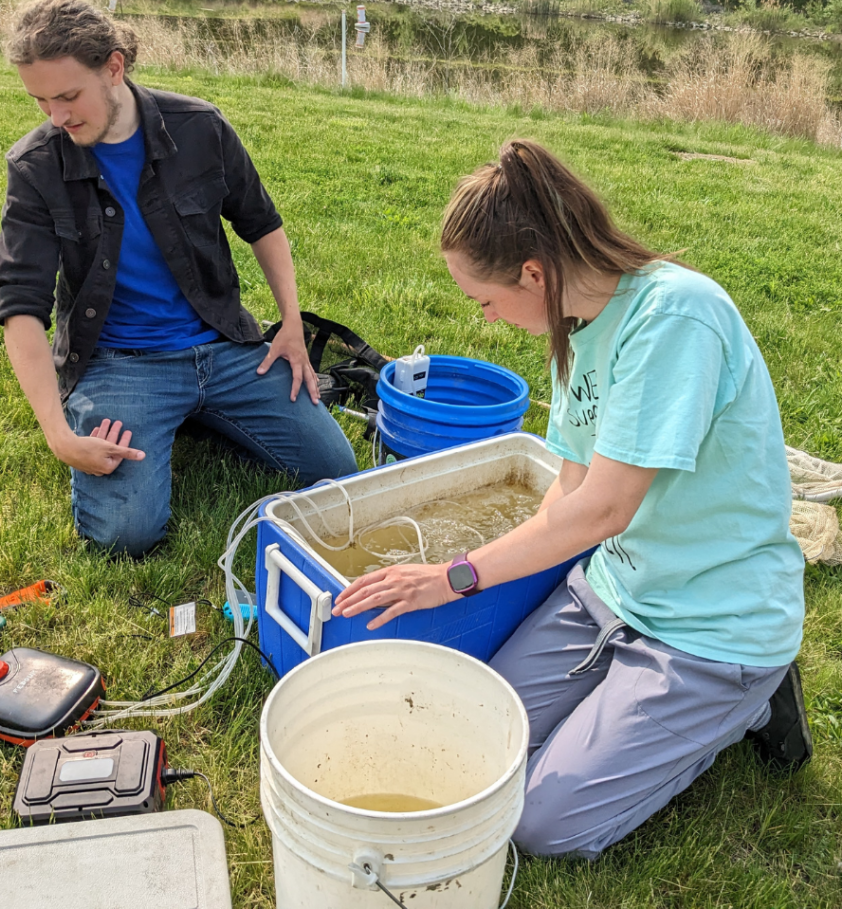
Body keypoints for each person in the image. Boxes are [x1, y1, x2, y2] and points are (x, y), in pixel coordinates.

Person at [333, 139, 811, 858]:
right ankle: (636, 708)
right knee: (469, 743)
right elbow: (570, 488)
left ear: (534, 272)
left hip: (709, 630)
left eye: (486, 301)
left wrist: (454, 577)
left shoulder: (675, 318)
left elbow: (603, 511)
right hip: (612, 593)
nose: (486, 319)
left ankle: (743, 703)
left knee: (535, 824)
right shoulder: (578, 329)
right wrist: (503, 559)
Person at [0, 0, 357, 557]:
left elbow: (262, 225)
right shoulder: (35, 166)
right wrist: (58, 434)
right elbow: (21, 308)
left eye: (68, 96)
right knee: (126, 536)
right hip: (119, 364)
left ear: (113, 67)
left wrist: (289, 324)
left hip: (226, 346)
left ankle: (192, 414)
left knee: (334, 469)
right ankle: (164, 417)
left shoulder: (200, 127)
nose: (56, 117)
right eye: (40, 100)